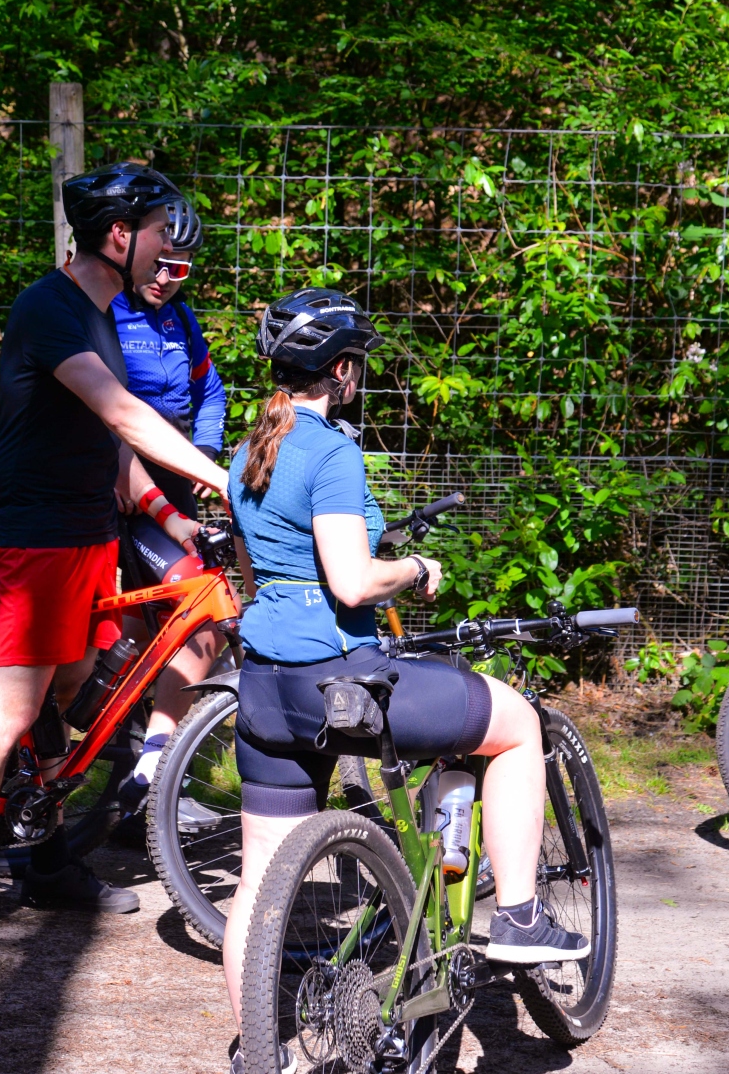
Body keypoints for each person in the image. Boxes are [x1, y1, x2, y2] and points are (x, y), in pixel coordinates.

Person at [219, 287, 587, 1071]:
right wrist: (415, 567)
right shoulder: (330, 452)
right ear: (341, 372)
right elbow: (352, 582)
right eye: (358, 365)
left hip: (265, 691)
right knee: (516, 725)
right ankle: (519, 917)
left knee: (259, 882)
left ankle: (259, 1054)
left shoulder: (247, 453)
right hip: (340, 684)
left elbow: (258, 578)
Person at [0, 162, 232, 975]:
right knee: (13, 708)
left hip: (89, 530)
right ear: (119, 235)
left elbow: (108, 440)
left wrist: (168, 511)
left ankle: (46, 860)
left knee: (70, 688)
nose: (168, 248)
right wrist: (228, 479)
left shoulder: (100, 314)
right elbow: (124, 413)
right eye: (157, 232)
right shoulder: (50, 308)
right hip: (43, 535)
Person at [108, 199, 230, 822]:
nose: (163, 278)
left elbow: (210, 389)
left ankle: (139, 778)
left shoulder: (181, 320)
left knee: (159, 628)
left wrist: (202, 455)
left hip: (175, 482)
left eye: (178, 269)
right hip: (124, 488)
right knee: (192, 618)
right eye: (158, 263)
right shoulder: (105, 314)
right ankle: (145, 774)